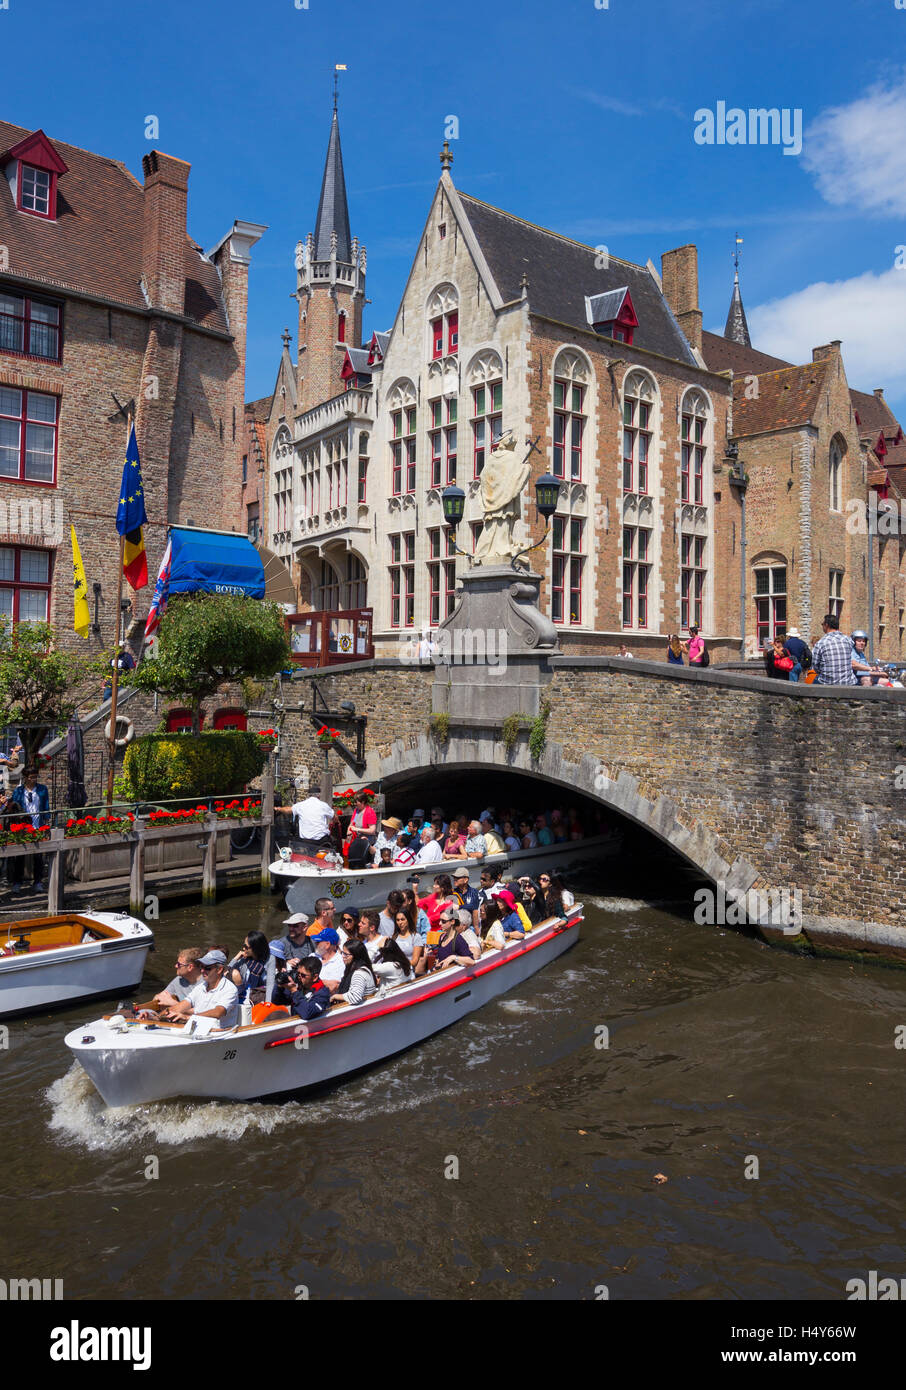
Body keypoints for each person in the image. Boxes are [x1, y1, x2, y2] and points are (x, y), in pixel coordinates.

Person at [164, 950, 240, 1030]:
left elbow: (218, 1012)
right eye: (201, 967)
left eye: (207, 968)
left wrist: (188, 1018)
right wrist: (156, 1017)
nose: (202, 970)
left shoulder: (230, 989)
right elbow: (181, 1006)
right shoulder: (200, 987)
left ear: (219, 969)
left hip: (219, 1034)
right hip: (197, 1031)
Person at [3, 766, 51, 893]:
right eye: (31, 777)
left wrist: (47, 821)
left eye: (35, 776)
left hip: (37, 825)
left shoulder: (42, 789)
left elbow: (46, 805)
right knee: (20, 856)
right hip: (23, 826)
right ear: (25, 778)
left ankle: (38, 882)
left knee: (38, 857)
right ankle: (17, 882)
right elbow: (15, 808)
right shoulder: (19, 791)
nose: (34, 779)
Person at [275, 956, 331, 1022]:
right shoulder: (299, 986)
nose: (299, 977)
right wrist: (280, 986)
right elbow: (276, 1002)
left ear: (315, 977)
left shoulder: (322, 993)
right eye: (298, 973)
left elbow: (307, 1013)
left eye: (303, 975)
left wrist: (294, 991)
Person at [228, 931, 275, 1004]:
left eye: (246, 947)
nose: (243, 948)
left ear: (256, 948)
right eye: (243, 945)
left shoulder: (269, 959)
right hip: (241, 994)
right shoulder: (244, 958)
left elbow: (270, 984)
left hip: (259, 996)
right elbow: (226, 973)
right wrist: (235, 959)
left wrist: (268, 1004)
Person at [812, 613, 857, 686]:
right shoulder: (848, 640)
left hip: (828, 683)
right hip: (848, 683)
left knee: (812, 680)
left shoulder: (820, 643)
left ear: (826, 625)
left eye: (822, 624)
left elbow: (815, 666)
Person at [333, 939, 378, 1006]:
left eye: (346, 954)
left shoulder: (359, 973)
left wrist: (335, 996)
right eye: (342, 953)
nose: (343, 956)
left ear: (355, 956)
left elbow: (355, 997)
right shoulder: (352, 969)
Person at [392, 908, 425, 975]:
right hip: (395, 972)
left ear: (408, 920)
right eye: (397, 920)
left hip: (410, 972)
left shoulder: (415, 937)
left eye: (402, 919)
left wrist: (399, 963)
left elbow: (414, 962)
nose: (400, 922)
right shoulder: (394, 938)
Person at [313, 928, 346, 994]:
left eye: (318, 942)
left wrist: (310, 981)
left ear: (327, 944)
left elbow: (333, 987)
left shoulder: (341, 962)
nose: (315, 944)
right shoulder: (312, 956)